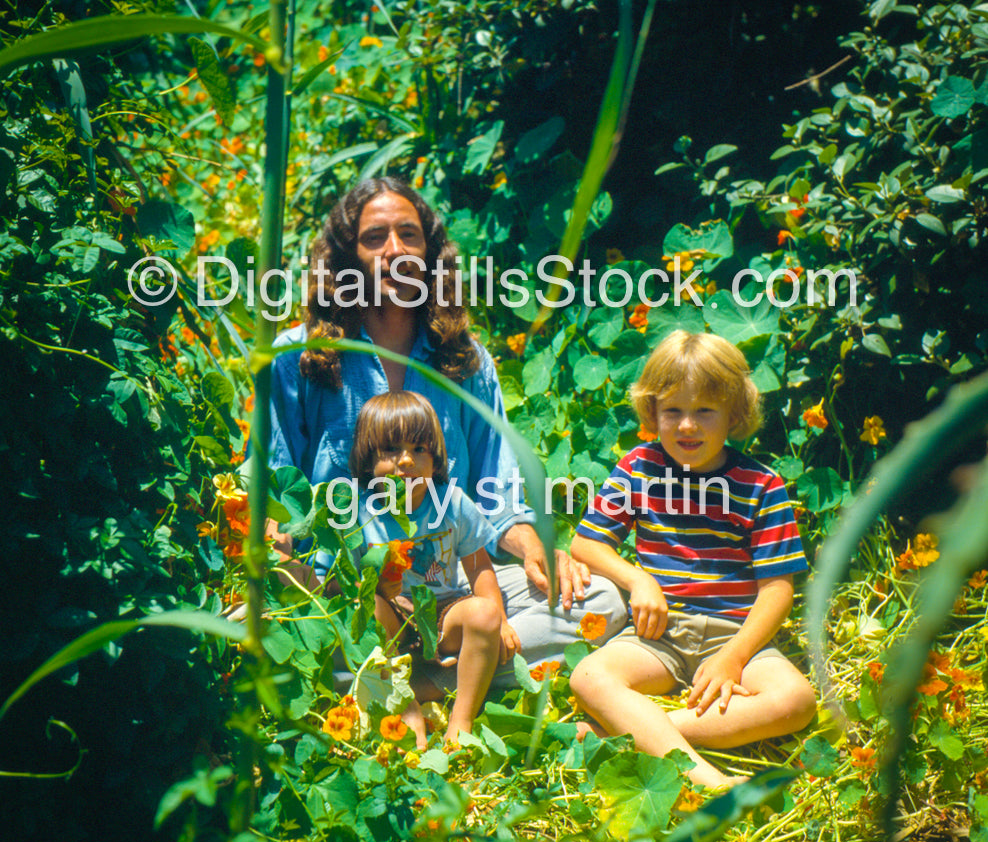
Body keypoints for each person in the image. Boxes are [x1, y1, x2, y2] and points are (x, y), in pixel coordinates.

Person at [268, 176, 626, 679]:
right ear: (345, 259)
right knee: (256, 624)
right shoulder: (299, 358)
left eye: (409, 235)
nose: (395, 251)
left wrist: (535, 549)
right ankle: (459, 675)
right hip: (344, 588)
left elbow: (495, 496)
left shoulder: (466, 359)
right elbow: (272, 487)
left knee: (602, 600)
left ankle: (414, 677)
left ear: (431, 253)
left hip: (450, 582)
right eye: (375, 237)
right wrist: (286, 562)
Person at [568, 330, 817, 788]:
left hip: (737, 635)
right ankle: (709, 780)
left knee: (796, 701)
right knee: (588, 676)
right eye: (673, 411)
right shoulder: (638, 467)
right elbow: (586, 544)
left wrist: (733, 657)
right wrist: (638, 580)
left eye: (705, 410)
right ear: (652, 412)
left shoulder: (762, 485)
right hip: (658, 634)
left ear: (734, 414)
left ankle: (639, 734)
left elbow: (778, 589)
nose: (687, 426)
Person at [346, 391, 505, 746]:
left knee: (484, 615)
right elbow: (341, 587)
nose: (406, 461)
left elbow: (479, 568)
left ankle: (461, 721)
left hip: (442, 612)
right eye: (390, 450)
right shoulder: (355, 510)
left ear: (435, 458)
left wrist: (501, 620)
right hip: (389, 618)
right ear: (367, 459)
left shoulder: (451, 502)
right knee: (366, 606)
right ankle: (405, 704)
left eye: (419, 449)